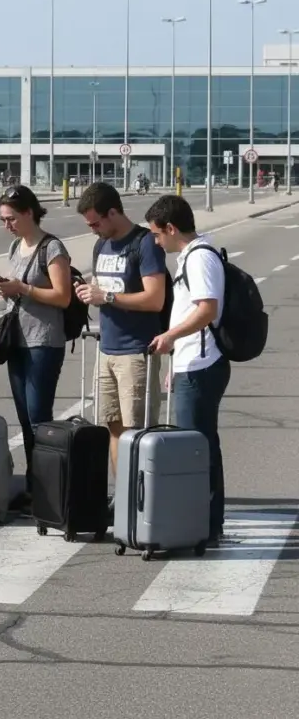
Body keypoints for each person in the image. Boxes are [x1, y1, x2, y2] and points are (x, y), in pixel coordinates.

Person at [74, 181, 168, 521]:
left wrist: (108, 297)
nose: (94, 230)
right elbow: (103, 290)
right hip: (108, 348)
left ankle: (146, 500)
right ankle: (124, 496)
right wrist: (89, 292)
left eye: (96, 222)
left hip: (136, 352)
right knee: (113, 427)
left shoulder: (144, 244)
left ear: (113, 212)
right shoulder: (102, 246)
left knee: (138, 430)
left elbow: (155, 298)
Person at [145, 194, 230, 548]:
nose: (155, 240)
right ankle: (204, 522)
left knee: (197, 449)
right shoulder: (190, 257)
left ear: (171, 227)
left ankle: (205, 525)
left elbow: (207, 310)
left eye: (156, 233)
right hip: (191, 363)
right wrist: (176, 359)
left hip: (202, 365)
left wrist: (169, 337)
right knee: (199, 445)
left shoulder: (199, 259)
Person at [0, 186, 73, 512]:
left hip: (43, 342)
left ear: (29, 212)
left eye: (11, 218)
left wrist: (22, 288)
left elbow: (63, 296)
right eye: (2, 220)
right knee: (26, 420)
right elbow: (23, 292)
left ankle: (50, 491)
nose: (7, 225)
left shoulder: (52, 248)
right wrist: (8, 291)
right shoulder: (17, 246)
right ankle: (33, 486)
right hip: (18, 342)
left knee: (40, 418)